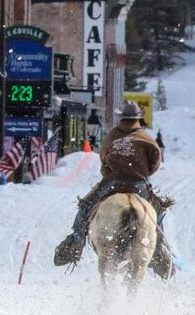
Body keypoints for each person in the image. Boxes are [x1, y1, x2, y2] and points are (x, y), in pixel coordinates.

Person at [53, 102, 172, 278]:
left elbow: (103, 156)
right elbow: (155, 162)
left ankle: (76, 243)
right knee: (158, 212)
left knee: (85, 207)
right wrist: (142, 172)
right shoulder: (146, 138)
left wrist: (114, 169)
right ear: (138, 118)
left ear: (121, 117)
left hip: (113, 182)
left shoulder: (112, 136)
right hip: (138, 184)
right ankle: (158, 250)